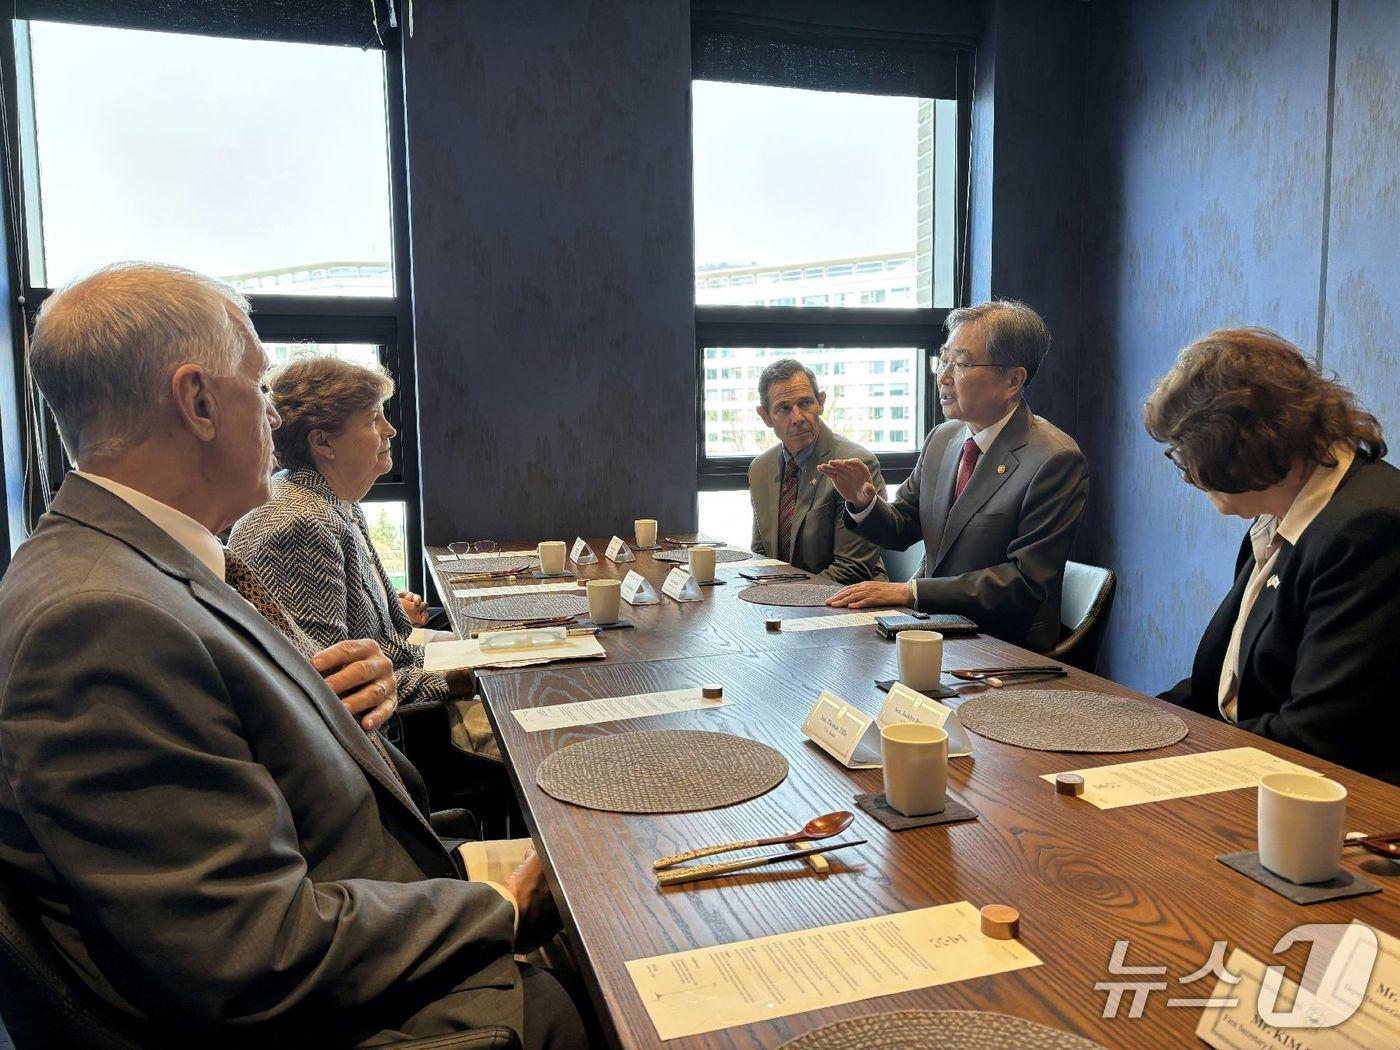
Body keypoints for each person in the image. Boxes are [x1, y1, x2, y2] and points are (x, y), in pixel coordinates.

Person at [0, 263, 583, 1045]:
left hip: (382, 890)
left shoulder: (147, 567)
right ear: (198, 402)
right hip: (373, 1003)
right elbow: (254, 953)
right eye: (260, 386)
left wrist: (334, 694)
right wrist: (502, 907)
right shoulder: (96, 620)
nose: (273, 416)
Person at [1148, 328, 1400, 784]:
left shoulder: (1370, 527)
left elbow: (1319, 734)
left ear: (1240, 446)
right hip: (1259, 770)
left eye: (1186, 455)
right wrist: (1129, 724)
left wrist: (1178, 762)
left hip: (1337, 805)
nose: (1186, 478)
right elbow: (1219, 689)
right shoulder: (1278, 514)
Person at [229, 354, 497, 760]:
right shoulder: (300, 523)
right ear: (322, 442)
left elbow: (389, 644)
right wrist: (460, 678)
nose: (389, 430)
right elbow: (341, 693)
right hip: (384, 746)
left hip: (403, 696)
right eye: (373, 420)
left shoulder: (335, 500)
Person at [819, 300, 1088, 650]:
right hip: (928, 632)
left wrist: (911, 592)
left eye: (960, 363)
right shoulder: (943, 438)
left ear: (1013, 380)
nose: (944, 377)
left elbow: (1023, 582)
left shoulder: (1055, 459)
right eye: (943, 360)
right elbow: (903, 526)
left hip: (1002, 649)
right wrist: (862, 499)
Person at [747, 358, 887, 584]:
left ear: (820, 403)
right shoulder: (760, 468)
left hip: (846, 601)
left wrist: (787, 600)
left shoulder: (855, 463)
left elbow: (853, 569)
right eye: (784, 408)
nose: (798, 418)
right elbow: (761, 557)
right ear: (765, 416)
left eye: (805, 403)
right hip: (784, 601)